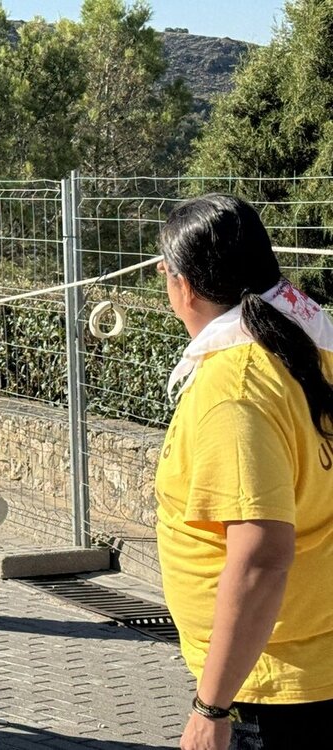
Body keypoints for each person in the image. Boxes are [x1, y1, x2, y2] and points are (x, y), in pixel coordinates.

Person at [154, 193, 333, 750]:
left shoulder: (235, 390)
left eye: (164, 273)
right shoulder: (310, 345)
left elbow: (261, 557)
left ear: (183, 285)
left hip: (274, 687)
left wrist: (211, 706)